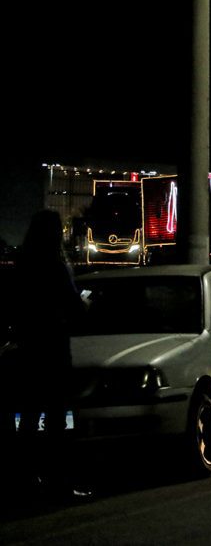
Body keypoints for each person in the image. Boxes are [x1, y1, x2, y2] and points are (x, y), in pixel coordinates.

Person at [10, 210, 89, 499]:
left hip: (30, 347)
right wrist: (83, 308)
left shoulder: (24, 262)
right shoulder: (56, 263)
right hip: (54, 346)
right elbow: (71, 302)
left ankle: (25, 479)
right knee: (57, 417)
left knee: (29, 416)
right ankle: (59, 481)